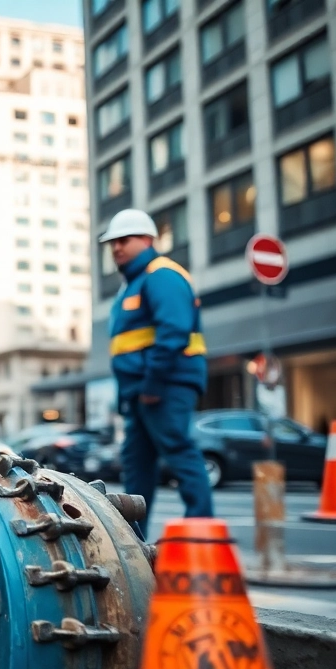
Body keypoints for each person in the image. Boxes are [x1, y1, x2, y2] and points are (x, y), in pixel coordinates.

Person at [101, 209, 213, 526]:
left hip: (165, 386)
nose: (116, 248)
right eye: (112, 243)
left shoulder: (162, 275)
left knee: (179, 451)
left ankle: (202, 534)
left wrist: (152, 385)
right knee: (136, 466)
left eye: (124, 240)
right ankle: (135, 544)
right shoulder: (133, 285)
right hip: (142, 392)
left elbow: (173, 333)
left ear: (148, 240)